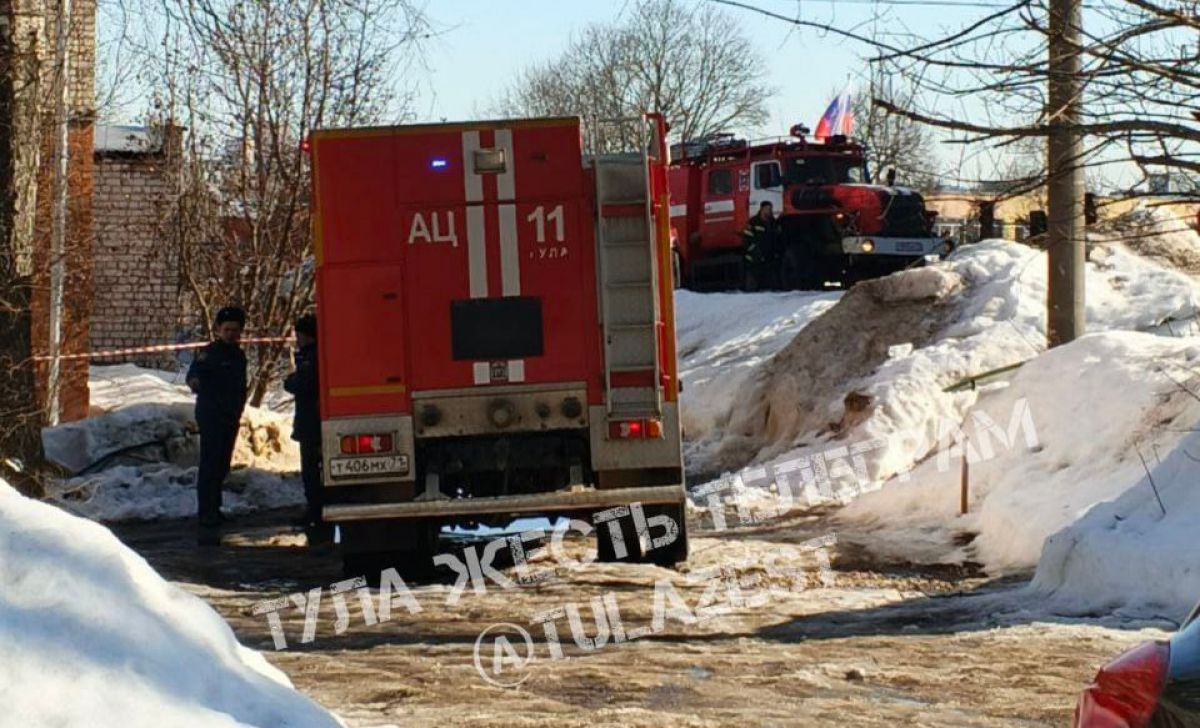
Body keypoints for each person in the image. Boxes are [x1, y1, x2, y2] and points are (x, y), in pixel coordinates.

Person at [187, 306, 248, 544]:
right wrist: (196, 382)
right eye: (227, 330)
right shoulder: (210, 353)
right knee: (211, 463)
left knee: (222, 463)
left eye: (235, 330)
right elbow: (194, 374)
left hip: (230, 415)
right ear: (219, 330)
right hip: (212, 415)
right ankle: (206, 512)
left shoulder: (238, 355)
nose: (231, 334)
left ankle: (216, 507)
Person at [284, 314, 328, 544]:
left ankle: (316, 511)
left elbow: (304, 383)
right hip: (312, 420)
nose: (297, 339)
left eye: (299, 334)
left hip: (311, 421)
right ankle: (316, 509)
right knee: (314, 469)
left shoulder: (312, 357)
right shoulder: (318, 354)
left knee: (311, 469)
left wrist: (290, 381)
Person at [742, 201, 781, 291]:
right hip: (754, 260)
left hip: (769, 260)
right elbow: (747, 240)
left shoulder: (773, 223)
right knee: (752, 285)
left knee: (771, 287)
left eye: (770, 209)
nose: (769, 211)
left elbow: (777, 239)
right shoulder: (753, 222)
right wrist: (756, 252)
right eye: (767, 209)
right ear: (762, 209)